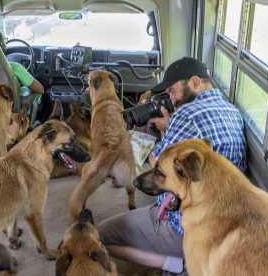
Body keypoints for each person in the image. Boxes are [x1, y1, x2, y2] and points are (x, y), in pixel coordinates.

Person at [97, 57, 246, 275]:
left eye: (173, 91)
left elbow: (156, 165)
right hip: (224, 228)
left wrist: (164, 129)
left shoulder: (187, 114)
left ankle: (177, 265)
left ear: (195, 82)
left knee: (98, 236)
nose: (172, 99)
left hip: (185, 230)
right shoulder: (233, 112)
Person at [0, 30, 44, 95]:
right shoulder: (13, 68)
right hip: (13, 104)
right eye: (4, 40)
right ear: (1, 44)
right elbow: (40, 89)